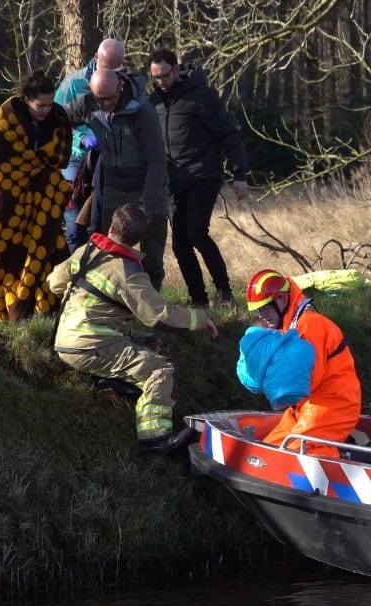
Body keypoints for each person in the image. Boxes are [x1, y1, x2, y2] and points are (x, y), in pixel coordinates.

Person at [47, 203, 218, 455]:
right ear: (139, 238)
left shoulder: (86, 251)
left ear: (111, 227)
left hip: (64, 338)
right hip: (90, 346)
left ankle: (111, 380)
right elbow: (160, 317)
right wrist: (201, 319)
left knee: (148, 343)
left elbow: (54, 284)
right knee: (160, 370)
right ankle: (156, 437)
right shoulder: (129, 273)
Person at [148, 48, 250, 308]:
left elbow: (229, 134)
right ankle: (199, 300)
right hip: (173, 181)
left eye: (165, 75)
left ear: (177, 70)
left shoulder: (201, 97)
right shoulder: (154, 103)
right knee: (180, 245)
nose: (161, 82)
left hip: (204, 175)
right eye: (156, 77)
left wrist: (240, 174)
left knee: (196, 233)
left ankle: (225, 292)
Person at [0, 70, 72, 323]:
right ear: (27, 99)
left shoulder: (57, 118)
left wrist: (40, 174)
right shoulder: (7, 118)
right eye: (40, 105)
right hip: (5, 200)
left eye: (50, 104)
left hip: (40, 200)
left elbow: (56, 159)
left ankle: (41, 303)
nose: (45, 110)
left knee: (48, 247)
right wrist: (32, 172)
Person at [66, 67, 169, 290]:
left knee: (151, 257)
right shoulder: (88, 103)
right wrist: (80, 136)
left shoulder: (143, 112)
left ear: (120, 87)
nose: (104, 104)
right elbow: (60, 118)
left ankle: (153, 306)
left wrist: (146, 206)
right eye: (99, 99)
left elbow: (158, 161)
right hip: (113, 185)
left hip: (147, 186)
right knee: (108, 249)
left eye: (109, 99)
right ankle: (110, 300)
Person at [242, 269, 362, 457]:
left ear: (281, 300)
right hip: (306, 406)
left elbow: (308, 379)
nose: (262, 316)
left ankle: (343, 467)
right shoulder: (292, 327)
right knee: (268, 451)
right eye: (259, 310)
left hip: (333, 406)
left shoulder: (309, 327)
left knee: (299, 452)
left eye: (265, 309)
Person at [54, 39, 144, 251]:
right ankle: (73, 274)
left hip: (108, 160)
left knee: (102, 224)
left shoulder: (127, 87)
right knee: (75, 224)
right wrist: (80, 138)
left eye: (116, 68)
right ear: (96, 58)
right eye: (107, 68)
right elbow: (56, 121)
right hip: (76, 160)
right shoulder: (72, 85)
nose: (112, 74)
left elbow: (131, 124)